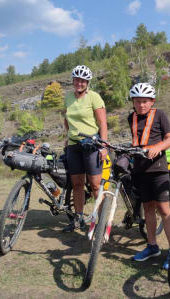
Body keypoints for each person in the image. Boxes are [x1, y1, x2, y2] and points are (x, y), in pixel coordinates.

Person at [128, 83, 170, 270]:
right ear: (133, 101)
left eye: (145, 101)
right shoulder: (130, 117)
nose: (141, 105)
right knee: (147, 209)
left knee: (164, 210)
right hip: (140, 170)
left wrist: (157, 148)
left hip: (158, 169)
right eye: (137, 101)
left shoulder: (160, 115)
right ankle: (152, 246)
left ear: (152, 101)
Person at [62, 65, 108, 232]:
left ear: (87, 82)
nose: (79, 83)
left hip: (91, 145)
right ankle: (78, 218)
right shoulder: (68, 97)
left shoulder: (94, 97)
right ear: (73, 80)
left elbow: (103, 123)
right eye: (76, 80)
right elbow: (66, 118)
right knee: (77, 184)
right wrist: (68, 137)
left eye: (82, 80)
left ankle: (100, 220)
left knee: (95, 185)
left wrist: (103, 146)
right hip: (74, 146)